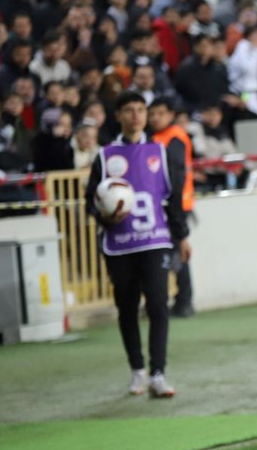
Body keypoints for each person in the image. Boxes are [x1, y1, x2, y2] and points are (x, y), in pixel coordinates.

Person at [84, 91, 191, 398]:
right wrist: (106, 217)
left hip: (156, 241)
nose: (136, 115)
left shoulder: (161, 151)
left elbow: (173, 202)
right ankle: (137, 370)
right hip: (119, 245)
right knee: (127, 308)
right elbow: (90, 202)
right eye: (129, 110)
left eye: (141, 110)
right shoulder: (105, 157)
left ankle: (158, 373)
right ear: (118, 115)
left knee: (158, 305)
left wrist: (181, 236)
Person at [148, 99, 197, 317]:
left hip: (176, 203)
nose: (156, 118)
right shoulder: (155, 138)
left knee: (178, 253)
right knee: (170, 252)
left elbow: (175, 175)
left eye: (161, 113)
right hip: (162, 203)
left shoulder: (175, 137)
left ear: (170, 115)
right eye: (153, 113)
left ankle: (184, 301)